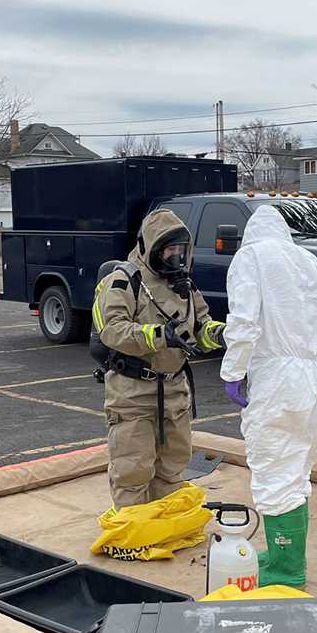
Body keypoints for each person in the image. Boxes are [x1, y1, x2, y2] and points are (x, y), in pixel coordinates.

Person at [220, 205, 317, 587]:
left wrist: (233, 372)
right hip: (312, 375)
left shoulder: (251, 257)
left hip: (277, 377)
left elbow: (244, 321)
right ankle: (286, 556)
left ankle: (286, 571)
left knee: (273, 467)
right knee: (297, 468)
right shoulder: (309, 262)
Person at [92, 209, 225, 509]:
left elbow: (200, 325)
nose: (176, 257)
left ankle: (166, 525)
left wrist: (222, 334)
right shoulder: (124, 281)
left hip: (174, 390)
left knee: (173, 467)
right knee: (133, 470)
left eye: (181, 250)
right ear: (151, 248)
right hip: (133, 393)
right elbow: (111, 330)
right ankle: (134, 530)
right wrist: (159, 335)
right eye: (169, 250)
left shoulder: (184, 286)